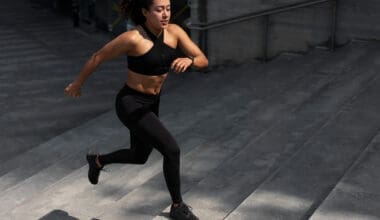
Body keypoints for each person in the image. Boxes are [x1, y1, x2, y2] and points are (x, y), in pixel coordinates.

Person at [64, 0, 208, 219]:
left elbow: (203, 60)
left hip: (152, 103)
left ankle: (97, 161)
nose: (165, 14)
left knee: (139, 155)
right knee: (172, 150)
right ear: (145, 12)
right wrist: (77, 84)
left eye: (168, 8)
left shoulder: (175, 33)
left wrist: (189, 60)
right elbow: (98, 57)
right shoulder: (133, 39)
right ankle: (178, 207)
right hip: (130, 103)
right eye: (159, 9)